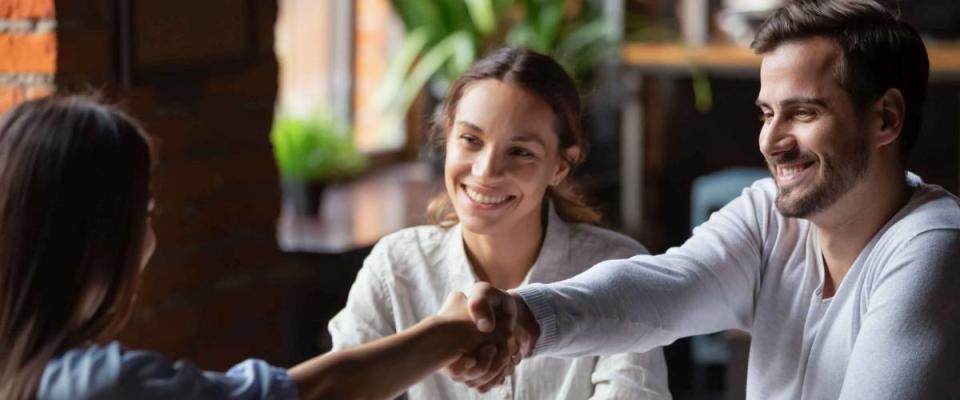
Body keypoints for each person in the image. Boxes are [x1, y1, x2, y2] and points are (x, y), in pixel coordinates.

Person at [454, 1, 960, 399]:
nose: (771, 141)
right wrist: (527, 318)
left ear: (886, 119)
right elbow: (665, 288)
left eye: (803, 113)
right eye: (766, 114)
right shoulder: (769, 215)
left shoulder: (932, 244)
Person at [0, 95, 505, 400]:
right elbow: (310, 395)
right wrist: (450, 333)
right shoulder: (91, 386)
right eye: (144, 215)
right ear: (96, 239)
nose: (150, 239)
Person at [328, 47, 670, 399]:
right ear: (448, 137)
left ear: (560, 166)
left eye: (520, 152)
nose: (486, 171)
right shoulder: (395, 267)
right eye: (471, 140)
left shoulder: (618, 272)